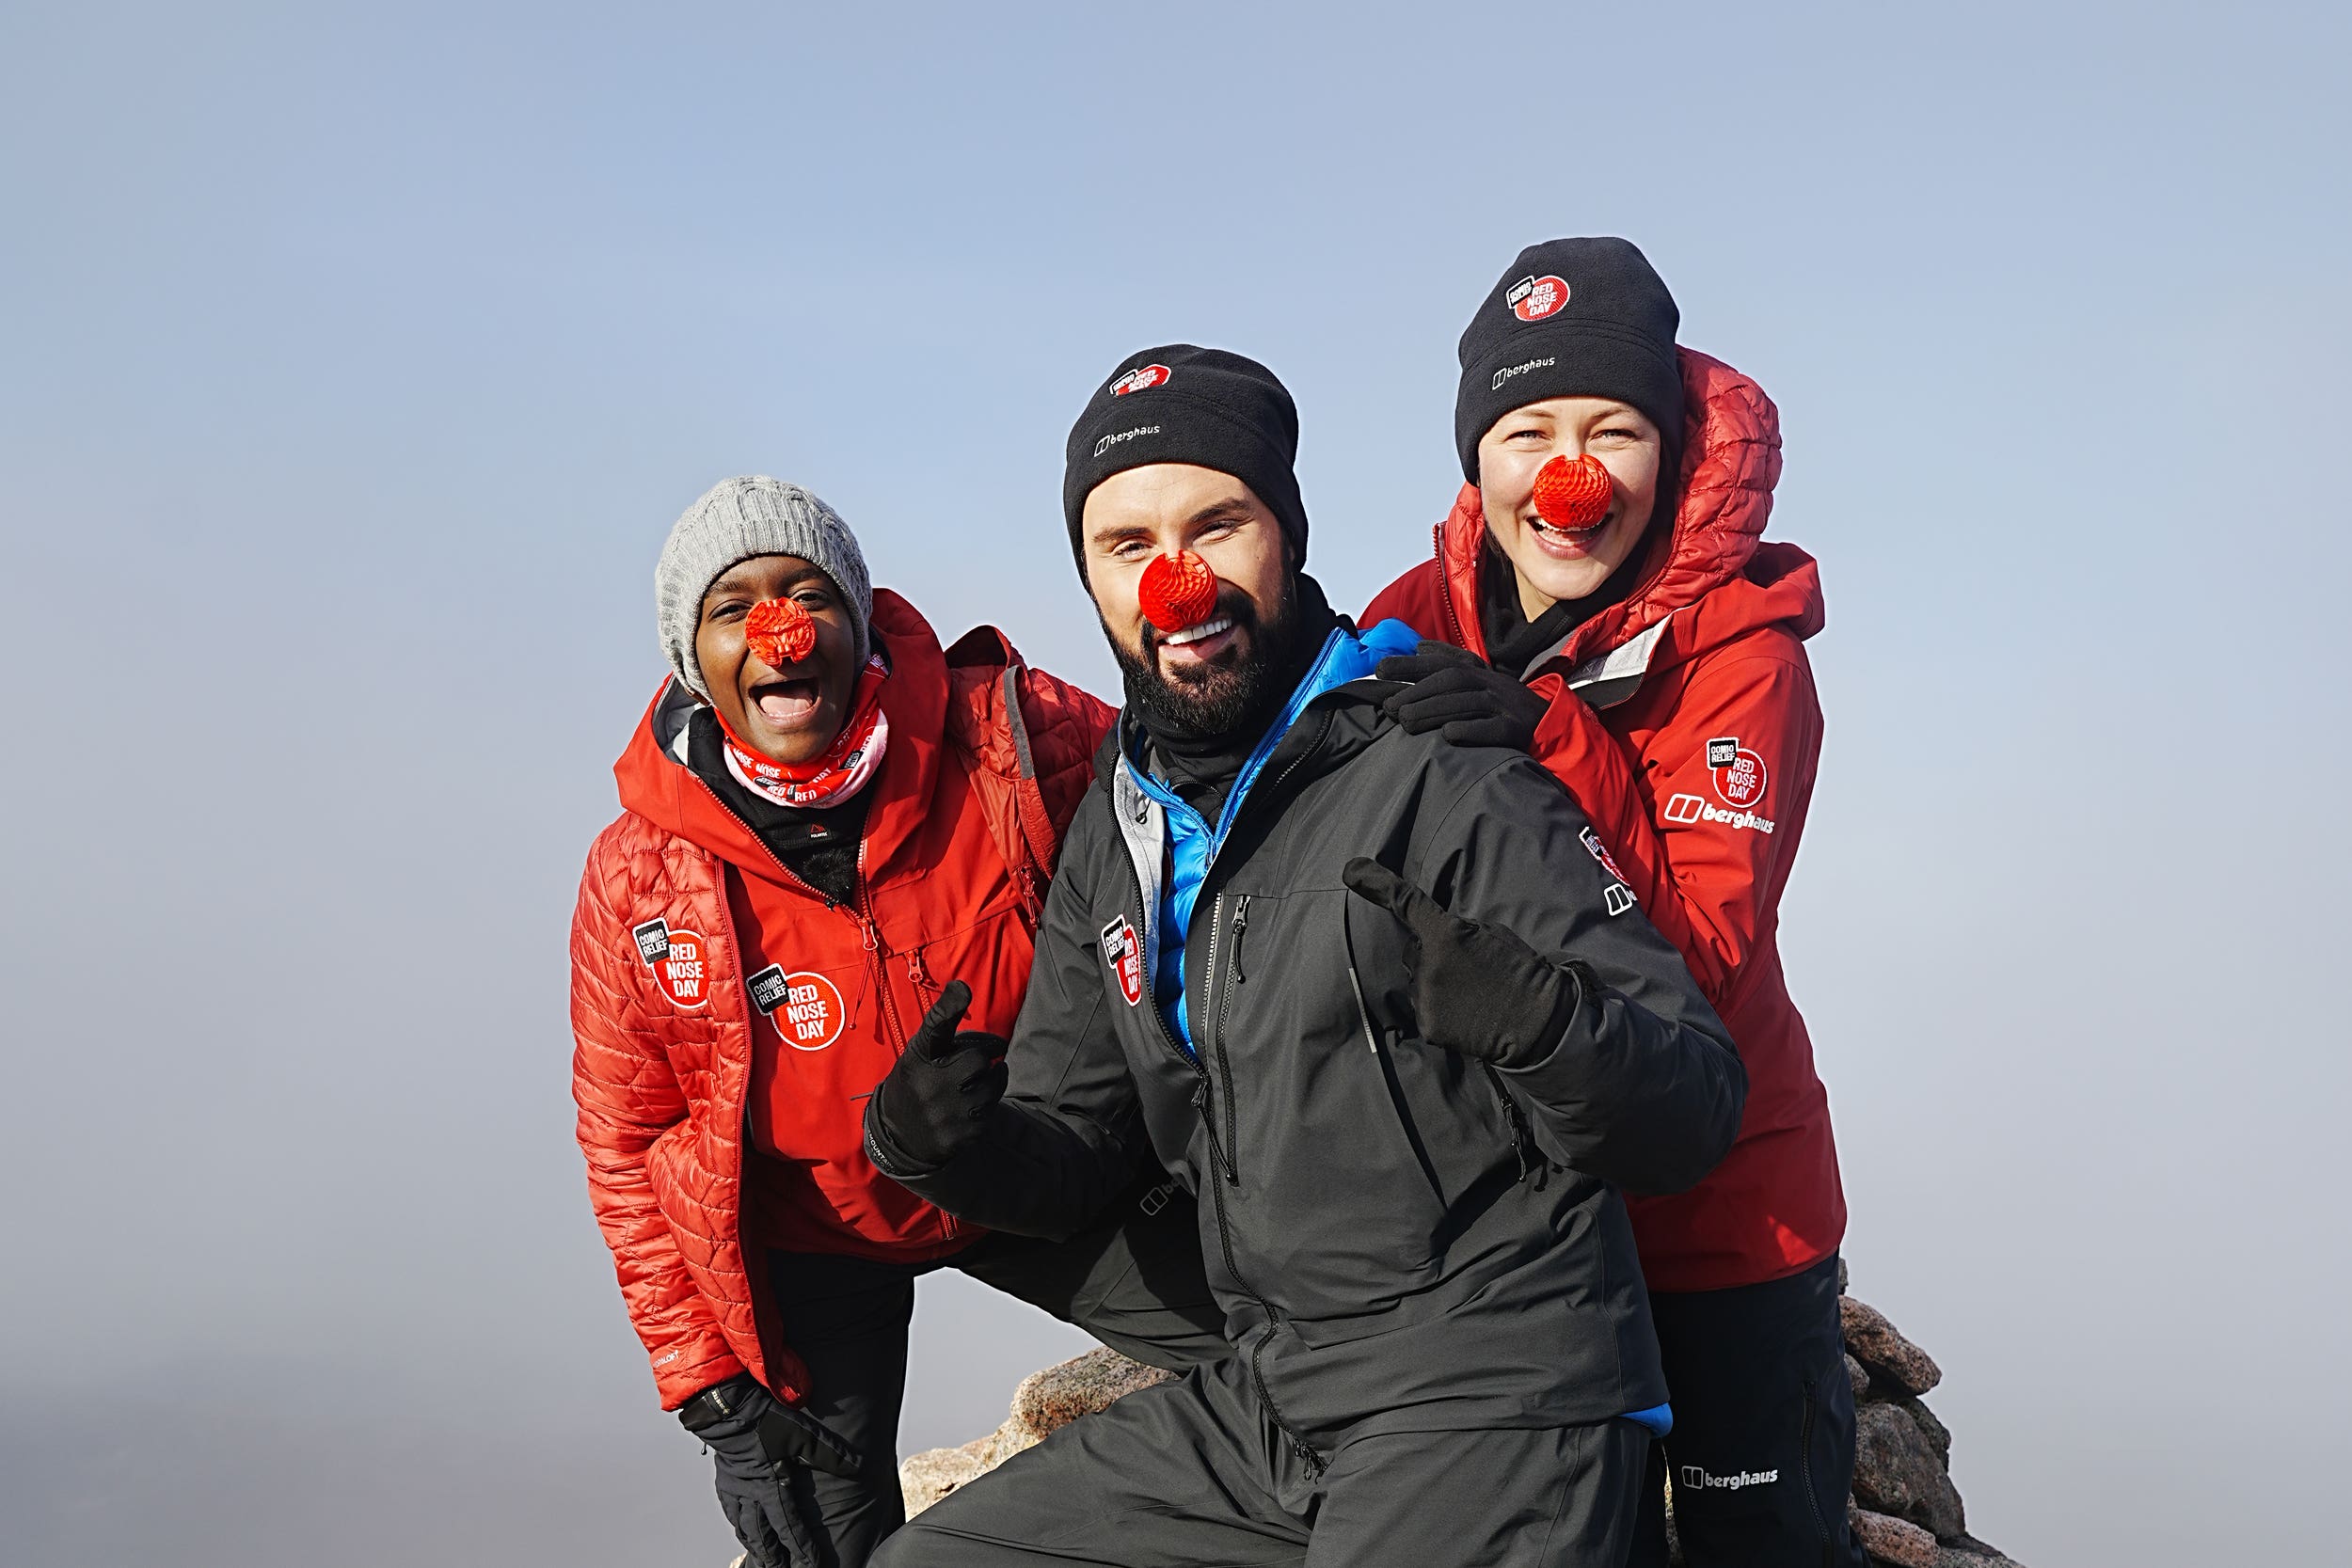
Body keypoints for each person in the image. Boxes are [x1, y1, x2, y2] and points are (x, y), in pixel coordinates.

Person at [860, 346, 1747, 1567]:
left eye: (1216, 523)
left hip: (1493, 1391)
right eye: (1127, 545)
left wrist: (1536, 1023)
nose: (1177, 580)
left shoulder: (1438, 761)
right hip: (1273, 1405)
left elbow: (1693, 1100)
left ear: (1288, 530)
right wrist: (953, 1147)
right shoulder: (1121, 825)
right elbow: (1074, 1156)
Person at [568, 476, 1228, 1568]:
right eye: (733, 610)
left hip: (1030, 1170)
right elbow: (628, 1139)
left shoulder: (1010, 734)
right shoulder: (640, 873)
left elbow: (1196, 780)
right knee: (816, 1546)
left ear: (859, 618)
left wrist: (1370, 710)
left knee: (1293, 1347)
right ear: (693, 657)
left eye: (808, 594)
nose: (778, 630)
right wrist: (713, 1391)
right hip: (817, 1232)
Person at [1362, 237, 1857, 1567]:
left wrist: (1550, 740)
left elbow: (1703, 951)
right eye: (1526, 428)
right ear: (1478, 456)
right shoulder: (1413, 615)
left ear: (1672, 450)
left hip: (1721, 1224)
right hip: (1522, 1239)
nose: (1565, 472)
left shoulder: (1744, 654)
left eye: (1611, 429)